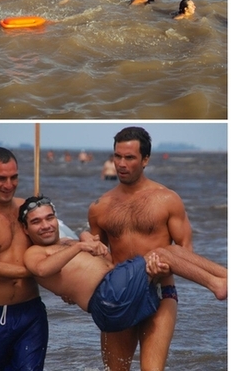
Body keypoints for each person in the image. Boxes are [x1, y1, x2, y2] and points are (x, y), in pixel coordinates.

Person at [21, 196, 226, 333]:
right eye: (36, 222)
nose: (46, 225)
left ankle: (224, 275)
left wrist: (92, 244)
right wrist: (80, 247)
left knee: (168, 251)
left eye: (50, 218)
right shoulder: (34, 252)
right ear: (25, 228)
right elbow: (42, 269)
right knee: (162, 254)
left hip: (117, 293)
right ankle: (218, 284)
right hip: (107, 298)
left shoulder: (68, 243)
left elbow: (104, 264)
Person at [88, 127, 193, 371]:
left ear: (145, 160)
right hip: (119, 296)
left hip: (160, 291)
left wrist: (165, 264)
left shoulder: (167, 199)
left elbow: (186, 249)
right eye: (117, 156)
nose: (121, 164)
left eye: (130, 157)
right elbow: (95, 256)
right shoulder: (99, 207)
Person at [0, 147, 47, 371]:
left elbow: (51, 246)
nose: (9, 184)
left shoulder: (27, 209)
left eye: (14, 177)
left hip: (31, 313)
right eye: (1, 178)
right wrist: (38, 271)